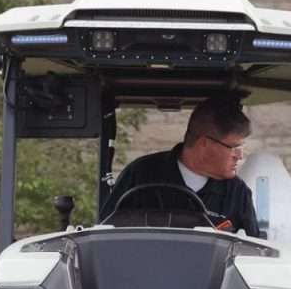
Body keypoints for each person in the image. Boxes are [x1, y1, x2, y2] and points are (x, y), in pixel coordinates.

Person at [100, 97, 261, 237]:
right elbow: (104, 235)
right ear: (204, 144)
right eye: (233, 147)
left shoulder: (237, 193)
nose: (239, 156)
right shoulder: (139, 176)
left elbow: (253, 256)